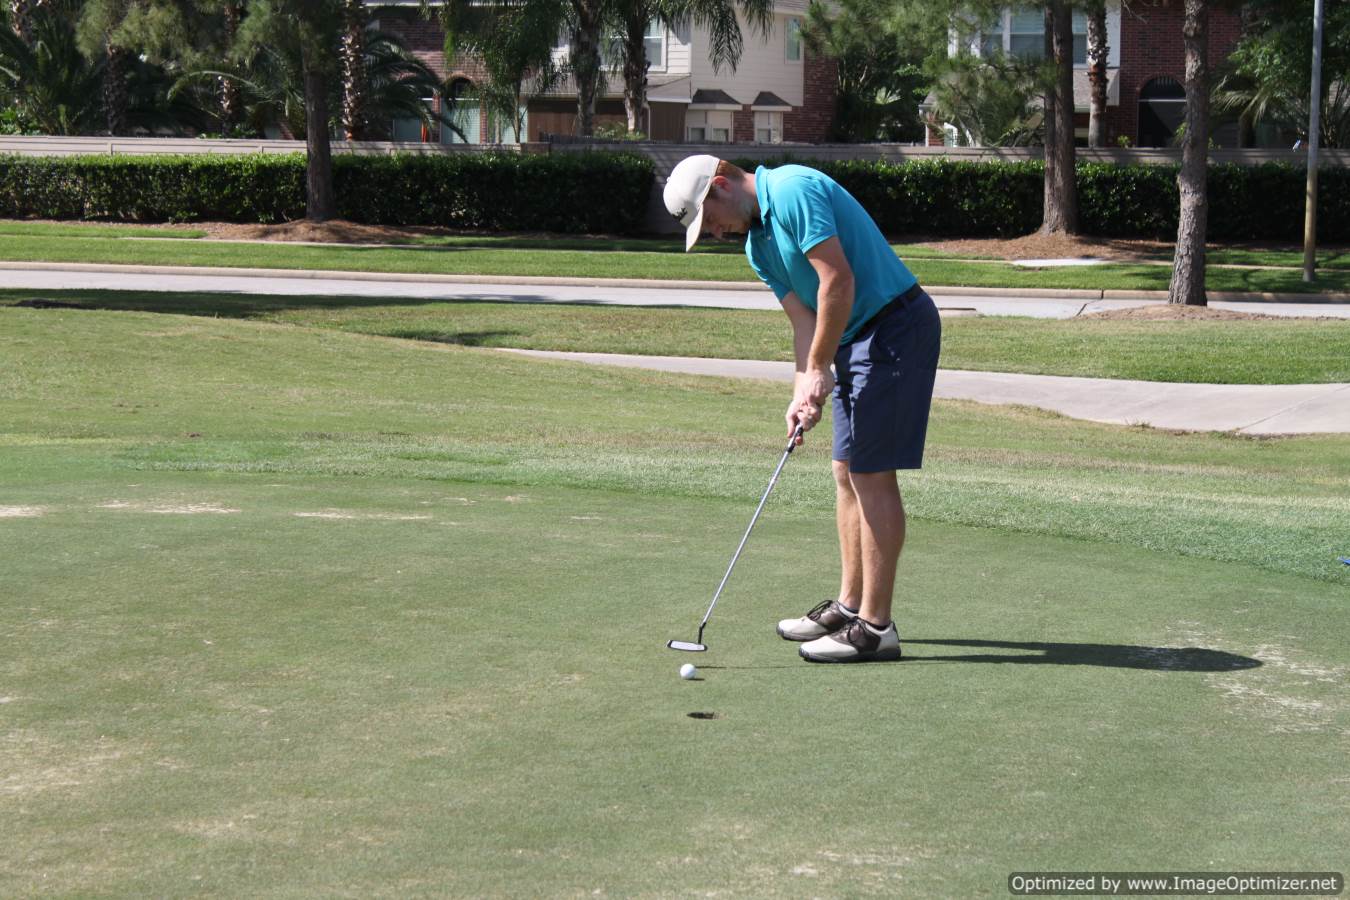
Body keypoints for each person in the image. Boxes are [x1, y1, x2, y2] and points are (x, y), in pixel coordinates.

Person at [663, 155, 941, 663]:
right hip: (853, 336)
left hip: (896, 327)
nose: (716, 234)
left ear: (721, 186)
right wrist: (801, 389)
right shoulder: (757, 245)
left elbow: (837, 280)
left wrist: (819, 367)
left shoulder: (792, 190)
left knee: (872, 474)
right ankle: (850, 604)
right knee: (845, 471)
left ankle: (876, 629)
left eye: (711, 220)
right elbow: (803, 319)